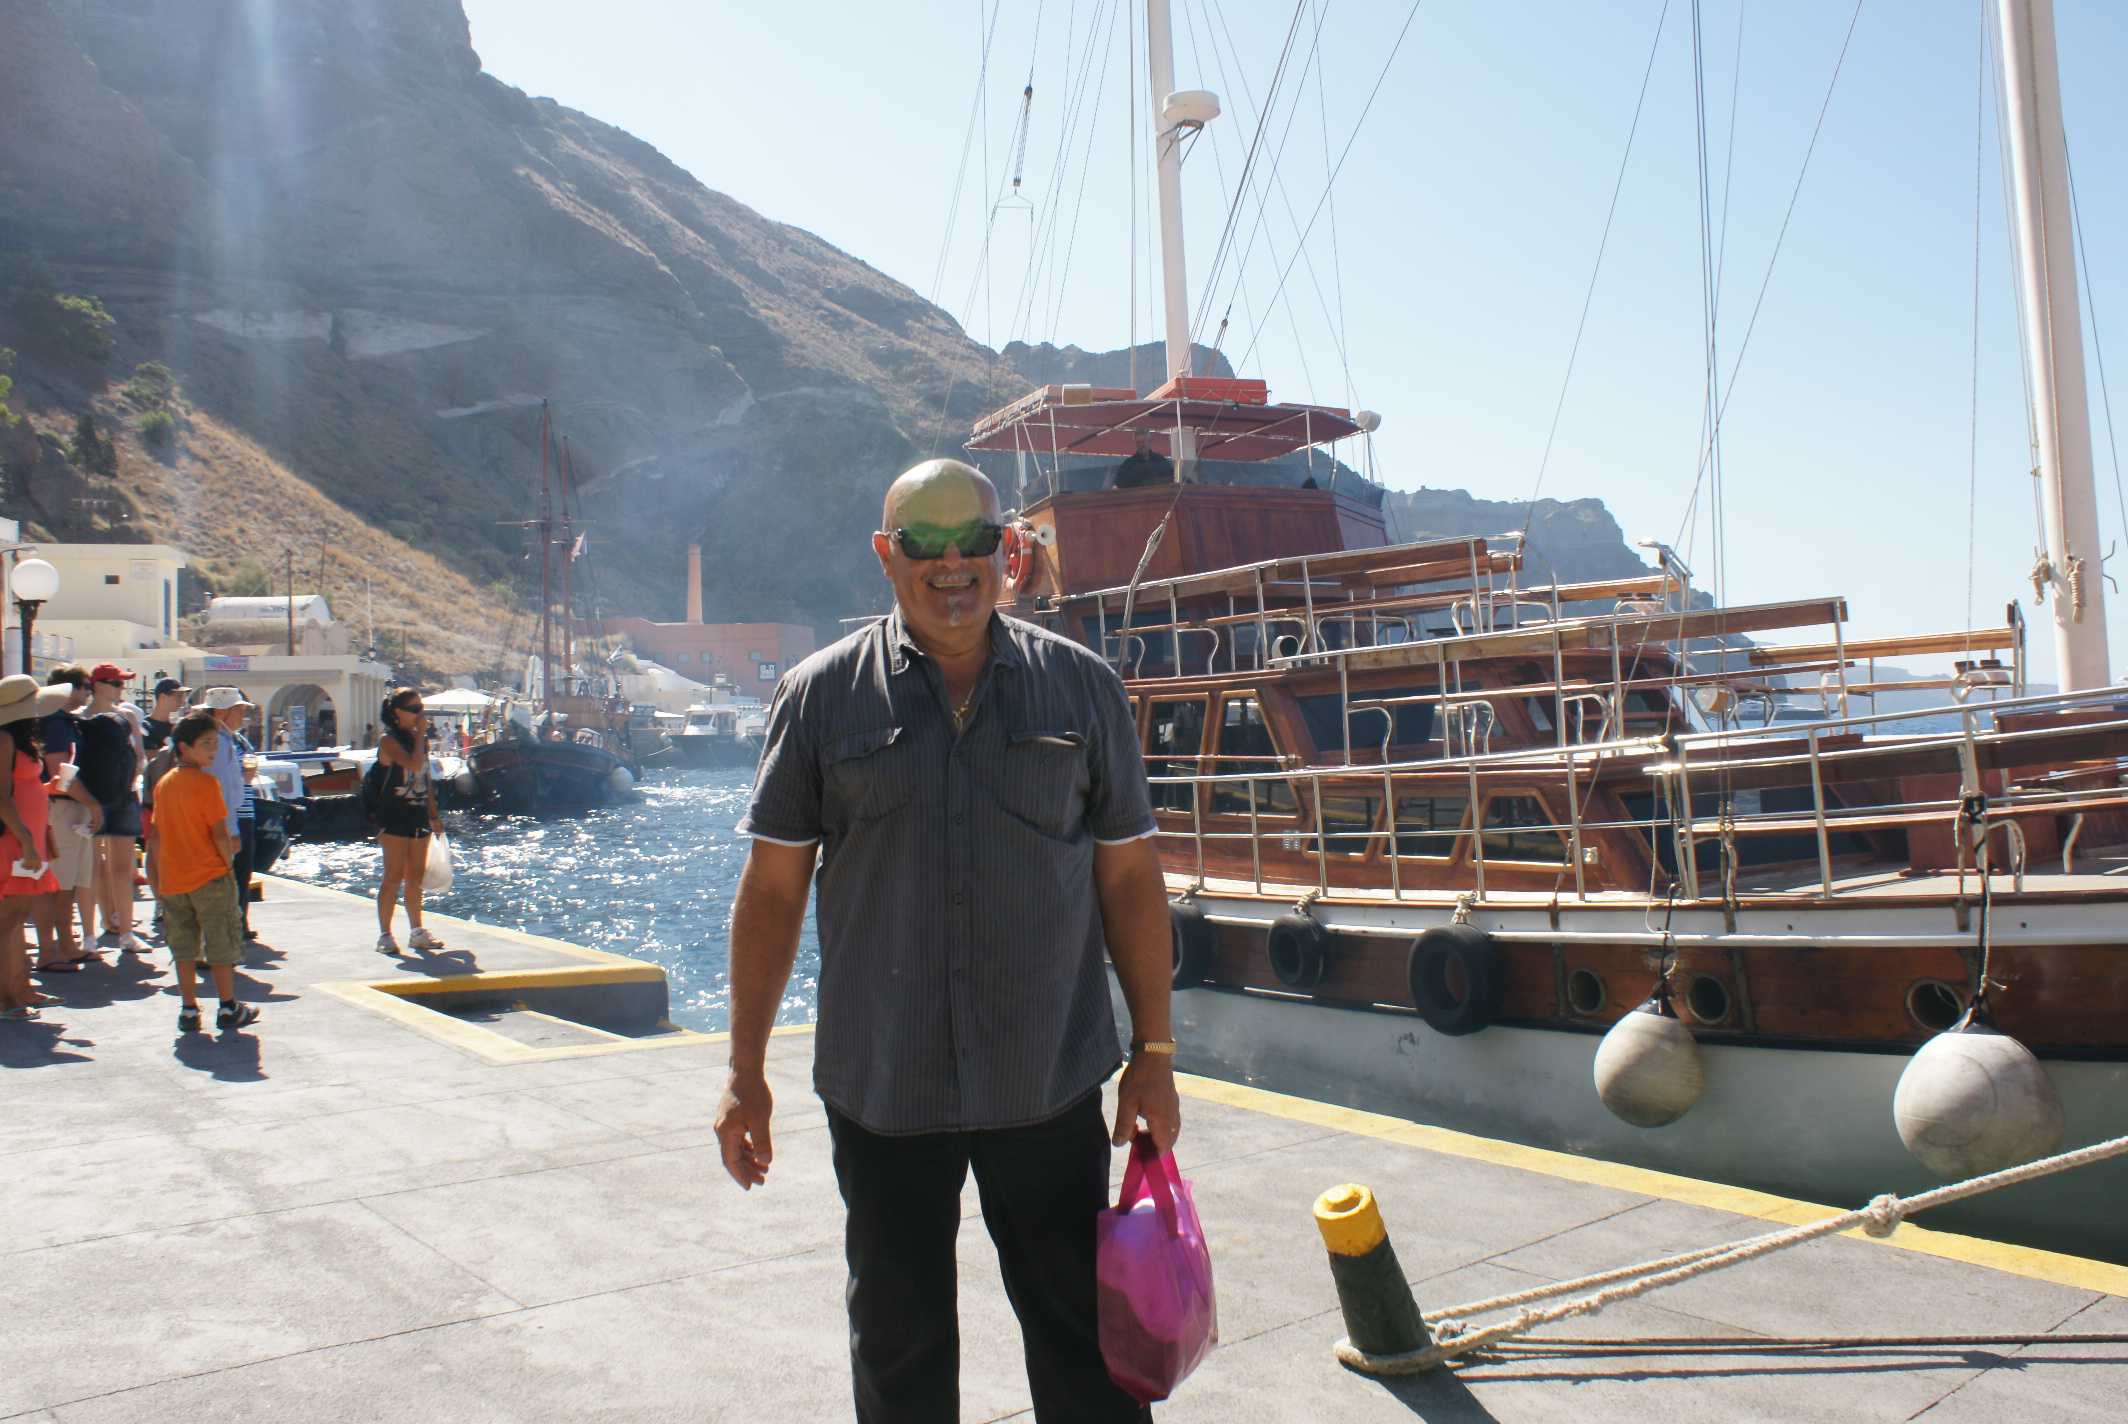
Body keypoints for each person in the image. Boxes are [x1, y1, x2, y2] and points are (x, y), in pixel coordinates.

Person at [716, 458, 1178, 1422]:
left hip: (1046, 1079)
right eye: (922, 543)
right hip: (884, 1084)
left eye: (972, 540)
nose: (951, 564)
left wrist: (1156, 1053)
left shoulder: (1083, 690)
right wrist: (744, 1070)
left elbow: (1130, 878)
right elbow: (772, 891)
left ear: (1007, 550)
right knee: (899, 1350)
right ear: (886, 555)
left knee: (1085, 1351)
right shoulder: (818, 697)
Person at [151, 711, 259, 1032]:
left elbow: (157, 835)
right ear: (185, 747)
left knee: (183, 947)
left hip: (174, 877)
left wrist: (157, 877)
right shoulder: (207, 784)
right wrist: (227, 864)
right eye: (206, 744)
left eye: (215, 743)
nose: (213, 750)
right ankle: (227, 1006)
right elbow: (219, 833)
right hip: (209, 874)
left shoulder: (164, 785)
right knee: (221, 943)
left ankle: (188, 1009)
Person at [0, 675, 76, 1020]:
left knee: (16, 919)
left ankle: (20, 988)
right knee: (9, 920)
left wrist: (47, 788)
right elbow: (2, 797)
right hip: (15, 841)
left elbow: (21, 788)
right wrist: (27, 841)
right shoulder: (5, 739)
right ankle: (8, 998)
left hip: (26, 839)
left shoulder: (18, 740)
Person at [76, 664, 149, 957]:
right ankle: (94, 936)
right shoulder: (84, 718)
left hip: (113, 797)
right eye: (117, 683)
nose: (122, 689)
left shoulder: (122, 716)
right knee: (94, 867)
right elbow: (138, 758)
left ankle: (120, 934)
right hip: (101, 798)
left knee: (116, 868)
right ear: (99, 685)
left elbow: (139, 757)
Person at [33, 667, 102, 968]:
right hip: (60, 807)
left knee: (69, 883)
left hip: (69, 807)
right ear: (69, 688)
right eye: (85, 686)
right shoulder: (55, 722)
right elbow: (60, 772)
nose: (89, 692)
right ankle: (50, 951)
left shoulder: (64, 721)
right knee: (57, 884)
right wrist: (93, 804)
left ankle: (65, 945)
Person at [372, 687, 446, 955]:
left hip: (417, 814)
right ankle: (385, 934)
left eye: (421, 709)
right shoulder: (388, 741)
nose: (420, 714)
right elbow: (412, 765)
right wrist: (421, 736)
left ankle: (416, 931)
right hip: (393, 816)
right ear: (397, 713)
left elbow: (424, 777)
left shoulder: (419, 741)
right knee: (393, 876)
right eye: (414, 709)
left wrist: (434, 814)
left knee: (415, 876)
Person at [200, 688, 260, 940]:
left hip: (241, 812)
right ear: (222, 711)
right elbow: (223, 786)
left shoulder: (234, 740)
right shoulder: (218, 742)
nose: (243, 714)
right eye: (239, 709)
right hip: (230, 816)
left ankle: (238, 922)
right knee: (230, 871)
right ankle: (229, 928)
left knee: (242, 871)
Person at [142, 676, 187, 755]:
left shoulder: (179, 727)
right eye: (179, 696)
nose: (183, 702)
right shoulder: (144, 726)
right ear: (163, 697)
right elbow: (146, 755)